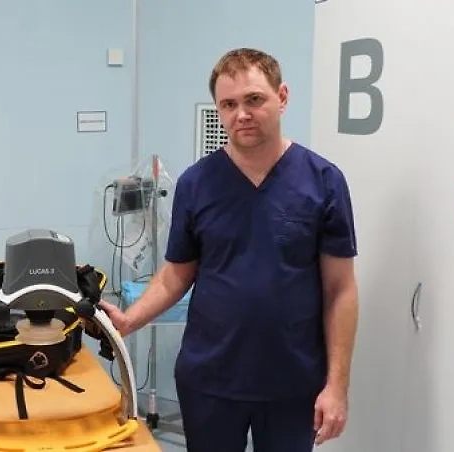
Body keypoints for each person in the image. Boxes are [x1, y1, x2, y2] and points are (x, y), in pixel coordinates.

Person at [98, 48, 359, 452]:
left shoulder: (323, 181)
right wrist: (129, 320)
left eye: (254, 99)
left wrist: (337, 386)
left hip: (293, 381)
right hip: (211, 380)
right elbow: (176, 273)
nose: (242, 114)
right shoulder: (196, 183)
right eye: (229, 104)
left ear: (282, 97)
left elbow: (340, 289)